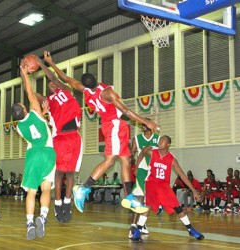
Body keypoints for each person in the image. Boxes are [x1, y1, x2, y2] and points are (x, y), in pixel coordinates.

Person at [43, 50, 158, 213]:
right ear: (96, 80)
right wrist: (146, 122)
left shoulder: (84, 90)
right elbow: (125, 111)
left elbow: (66, 78)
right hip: (114, 125)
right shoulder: (107, 93)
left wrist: (51, 63)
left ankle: (128, 196)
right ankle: (84, 188)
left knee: (126, 160)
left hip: (110, 125)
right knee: (110, 160)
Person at [11, 58, 56, 240]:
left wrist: (42, 115)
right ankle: (42, 218)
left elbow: (33, 126)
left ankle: (29, 222)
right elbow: (29, 90)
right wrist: (23, 72)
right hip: (47, 153)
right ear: (24, 108)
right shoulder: (36, 110)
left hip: (32, 155)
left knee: (31, 192)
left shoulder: (18, 127)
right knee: (46, 189)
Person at [35, 53, 83, 223]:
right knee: (59, 172)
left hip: (75, 137)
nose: (51, 83)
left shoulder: (67, 90)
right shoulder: (48, 100)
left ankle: (67, 203)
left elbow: (52, 76)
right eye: (49, 84)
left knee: (70, 173)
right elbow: (33, 96)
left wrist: (41, 64)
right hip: (60, 137)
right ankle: (57, 203)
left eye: (53, 82)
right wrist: (25, 74)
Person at [129, 135, 204, 241]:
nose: (160, 142)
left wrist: (193, 190)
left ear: (168, 144)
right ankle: (138, 230)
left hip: (164, 185)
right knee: (148, 206)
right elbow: (143, 151)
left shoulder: (171, 159)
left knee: (177, 207)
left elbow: (182, 175)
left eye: (163, 141)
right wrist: (137, 166)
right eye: (159, 140)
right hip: (152, 183)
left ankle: (190, 229)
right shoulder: (153, 152)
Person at [127, 121, 160, 238]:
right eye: (142, 124)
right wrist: (130, 163)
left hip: (153, 171)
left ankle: (142, 223)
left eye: (145, 124)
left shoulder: (158, 138)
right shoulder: (137, 138)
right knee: (139, 199)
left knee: (148, 200)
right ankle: (133, 226)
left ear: (151, 125)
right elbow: (132, 153)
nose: (143, 125)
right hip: (141, 170)